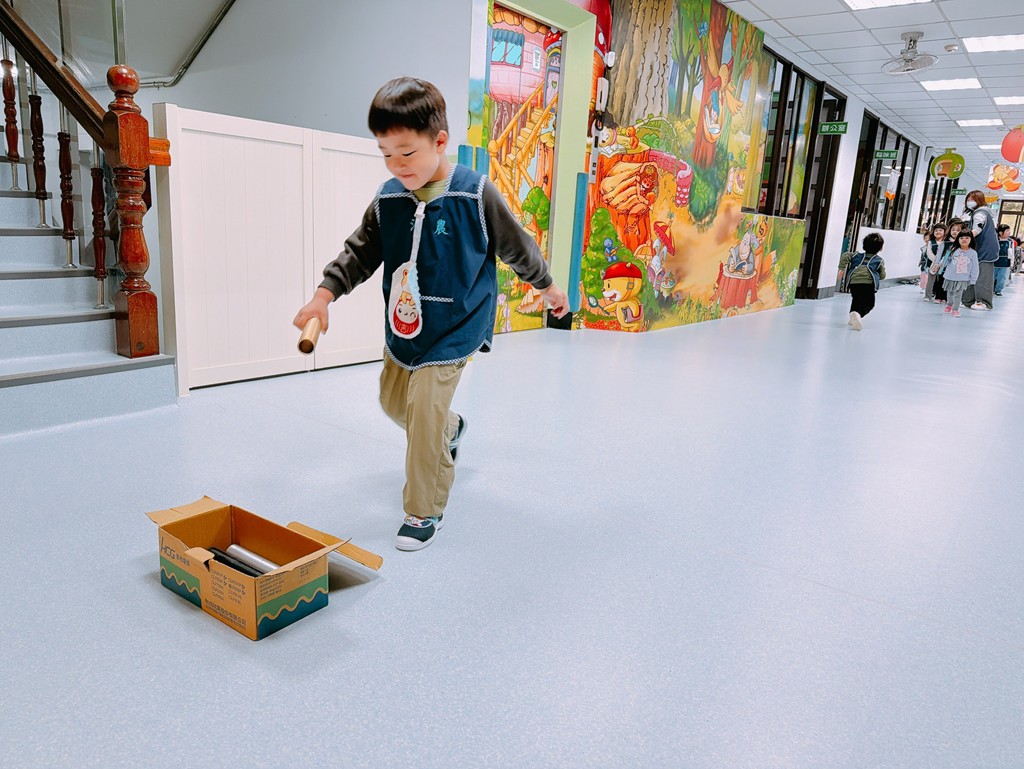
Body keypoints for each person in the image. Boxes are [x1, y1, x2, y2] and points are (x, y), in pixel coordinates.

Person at [292, 77, 569, 551]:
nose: (397, 165)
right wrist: (323, 296)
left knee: (423, 412)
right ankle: (451, 428)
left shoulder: (473, 194)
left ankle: (424, 509)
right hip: (407, 324)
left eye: (407, 152)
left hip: (458, 323)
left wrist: (547, 286)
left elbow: (516, 246)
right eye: (386, 154)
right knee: (393, 402)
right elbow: (359, 253)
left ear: (439, 141)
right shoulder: (389, 198)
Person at [959, 191, 998, 310]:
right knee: (972, 274)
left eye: (973, 199)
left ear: (980, 200)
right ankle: (967, 300)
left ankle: (984, 302)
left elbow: (977, 229)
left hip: (986, 250)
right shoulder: (978, 212)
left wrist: (964, 238)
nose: (970, 202)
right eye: (968, 199)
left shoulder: (980, 213)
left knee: (983, 276)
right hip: (978, 248)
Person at [838, 232, 886, 331]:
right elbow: (882, 276)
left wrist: (841, 269)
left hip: (854, 282)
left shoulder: (856, 255)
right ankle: (858, 314)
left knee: (856, 299)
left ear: (864, 245)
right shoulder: (879, 260)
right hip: (868, 284)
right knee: (869, 304)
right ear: (880, 248)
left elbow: (845, 255)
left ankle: (853, 317)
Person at [942, 229, 979, 318]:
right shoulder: (953, 249)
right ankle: (949, 304)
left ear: (971, 240)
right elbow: (945, 261)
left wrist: (973, 279)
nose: (964, 240)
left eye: (967, 238)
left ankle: (955, 309)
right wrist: (941, 264)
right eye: (961, 238)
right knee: (950, 292)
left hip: (962, 278)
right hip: (950, 276)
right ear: (958, 239)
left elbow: (975, 267)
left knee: (958, 294)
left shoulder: (973, 253)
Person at [923, 222, 949, 303]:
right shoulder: (931, 242)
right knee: (930, 281)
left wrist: (941, 262)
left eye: (940, 230)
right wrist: (936, 260)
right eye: (936, 230)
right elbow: (929, 253)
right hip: (933, 264)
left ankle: (942, 297)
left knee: (941, 281)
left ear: (944, 232)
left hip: (943, 264)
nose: (938, 232)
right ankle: (928, 296)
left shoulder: (946, 242)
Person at [994, 224, 1012, 295]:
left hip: (1005, 262)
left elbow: (1011, 253)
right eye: (1007, 231)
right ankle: (990, 289)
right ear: (1001, 233)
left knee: (1001, 277)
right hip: (995, 262)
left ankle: (998, 290)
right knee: (992, 277)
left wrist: (1011, 262)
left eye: (1009, 230)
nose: (1009, 232)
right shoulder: (995, 240)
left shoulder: (1010, 241)